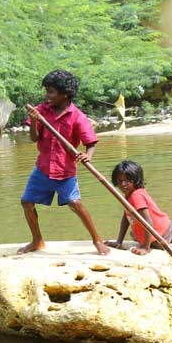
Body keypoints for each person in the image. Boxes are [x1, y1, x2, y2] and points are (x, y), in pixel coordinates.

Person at [18, 70, 110, 256]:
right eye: (46, 91)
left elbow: (90, 142)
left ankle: (97, 240)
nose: (47, 96)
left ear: (65, 94)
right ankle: (37, 240)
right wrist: (35, 122)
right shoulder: (42, 110)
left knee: (75, 204)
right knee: (26, 202)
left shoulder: (77, 117)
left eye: (51, 92)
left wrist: (88, 156)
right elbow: (34, 139)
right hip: (42, 168)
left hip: (65, 171)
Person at [106, 160, 172, 255]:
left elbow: (148, 221)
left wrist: (146, 247)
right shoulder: (128, 195)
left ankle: (167, 238)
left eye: (127, 181)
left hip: (161, 232)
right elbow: (126, 219)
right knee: (134, 235)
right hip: (158, 227)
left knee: (156, 245)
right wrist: (119, 242)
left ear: (136, 180)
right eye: (120, 181)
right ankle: (164, 238)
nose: (123, 184)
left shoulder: (136, 196)